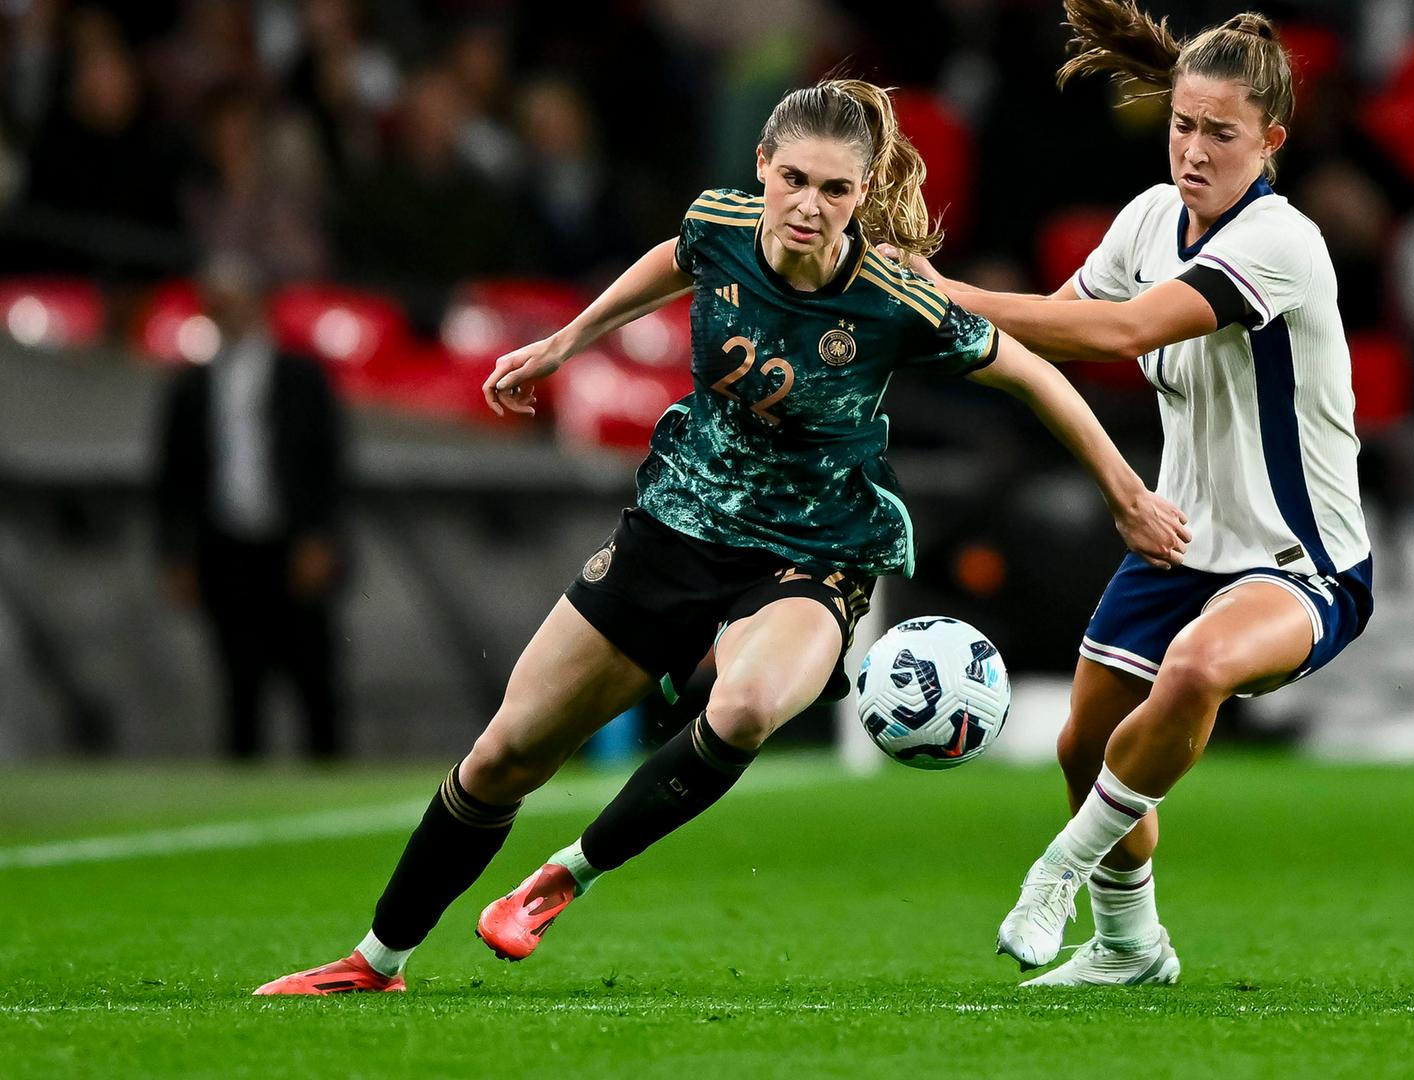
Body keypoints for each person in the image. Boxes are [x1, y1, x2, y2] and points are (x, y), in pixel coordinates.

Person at [254, 77, 1189, 996]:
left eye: (834, 189)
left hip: (816, 554)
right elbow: (672, 256)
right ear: (762, 170)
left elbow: (1035, 374)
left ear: (863, 194)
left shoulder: (894, 298)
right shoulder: (722, 224)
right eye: (793, 180)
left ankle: (566, 876)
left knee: (742, 708)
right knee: (505, 755)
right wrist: (565, 342)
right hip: (678, 526)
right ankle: (375, 962)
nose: (809, 207)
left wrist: (1125, 493)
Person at [898, 3, 1372, 986]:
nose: (1193, 149)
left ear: (1270, 141)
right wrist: (906, 318)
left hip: (1299, 561)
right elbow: (1048, 335)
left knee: (1197, 670)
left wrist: (940, 292)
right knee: (1084, 747)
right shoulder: (1150, 219)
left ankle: (1055, 877)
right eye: (1182, 125)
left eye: (1221, 132)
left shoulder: (1281, 243)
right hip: (1179, 542)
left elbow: (1120, 336)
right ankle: (1130, 949)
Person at [155, 254, 346, 761]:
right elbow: (173, 476)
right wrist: (176, 554)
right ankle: (243, 777)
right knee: (239, 675)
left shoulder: (301, 376)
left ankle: (329, 780)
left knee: (313, 672)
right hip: (225, 545)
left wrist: (319, 536)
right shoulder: (192, 384)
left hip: (291, 541)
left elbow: (327, 463)